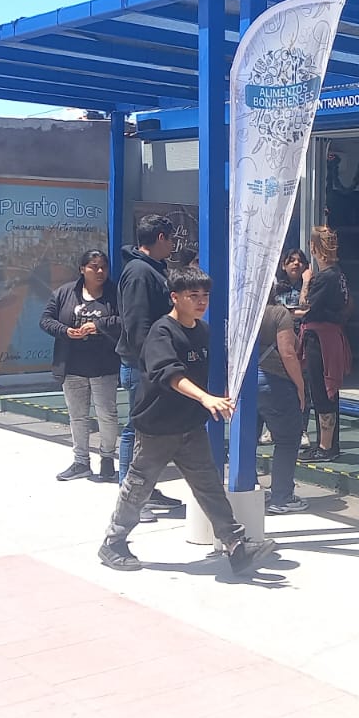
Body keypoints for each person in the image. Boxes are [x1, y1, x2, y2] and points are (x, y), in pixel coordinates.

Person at [98, 265, 277, 573]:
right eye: (193, 295)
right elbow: (170, 374)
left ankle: (236, 546)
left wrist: (218, 394)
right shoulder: (162, 332)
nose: (201, 301)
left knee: (209, 486)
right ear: (175, 297)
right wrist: (206, 398)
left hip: (190, 426)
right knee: (138, 487)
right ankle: (113, 543)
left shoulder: (203, 331)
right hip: (157, 428)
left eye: (205, 295)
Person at [114, 215, 183, 519]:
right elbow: (137, 325)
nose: (173, 245)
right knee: (136, 428)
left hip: (151, 363)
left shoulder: (153, 269)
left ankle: (146, 490)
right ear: (160, 237)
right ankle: (130, 498)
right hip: (142, 365)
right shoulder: (140, 273)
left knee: (149, 432)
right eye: (171, 238)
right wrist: (153, 363)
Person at [40, 249, 122, 482]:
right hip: (72, 365)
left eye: (103, 267)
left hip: (104, 365)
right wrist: (66, 331)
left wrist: (98, 326)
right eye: (94, 267)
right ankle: (81, 462)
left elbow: (125, 320)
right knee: (77, 416)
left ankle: (107, 460)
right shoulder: (64, 293)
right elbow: (45, 320)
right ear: (82, 269)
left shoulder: (115, 293)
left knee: (107, 415)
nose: (100, 271)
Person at [298, 226, 353, 464]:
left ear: (313, 247)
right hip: (332, 335)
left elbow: (306, 306)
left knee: (321, 390)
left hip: (320, 339)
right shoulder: (338, 275)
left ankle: (325, 446)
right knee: (330, 390)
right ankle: (330, 443)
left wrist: (305, 282)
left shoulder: (323, 278)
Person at [256, 283, 310, 514]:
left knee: (247, 439)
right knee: (288, 439)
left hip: (245, 383)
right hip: (274, 381)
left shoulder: (242, 314)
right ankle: (282, 496)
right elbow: (287, 352)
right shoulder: (279, 313)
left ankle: (250, 490)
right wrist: (300, 387)